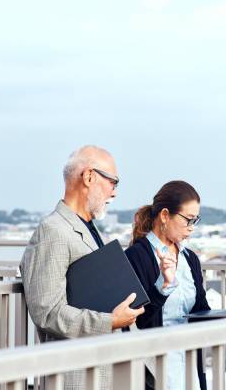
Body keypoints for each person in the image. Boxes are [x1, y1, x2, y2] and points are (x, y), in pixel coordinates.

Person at [20, 145, 144, 390]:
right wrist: (109, 321)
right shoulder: (53, 231)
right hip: (79, 375)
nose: (115, 192)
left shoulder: (86, 227)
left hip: (106, 369)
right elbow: (47, 312)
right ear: (89, 177)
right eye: (113, 182)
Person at [125, 180, 226, 390]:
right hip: (154, 369)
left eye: (195, 221)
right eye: (188, 220)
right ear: (165, 215)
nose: (191, 229)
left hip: (189, 364)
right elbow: (134, 321)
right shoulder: (135, 257)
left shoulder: (189, 258)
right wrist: (163, 286)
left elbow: (200, 313)